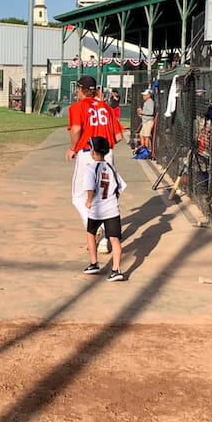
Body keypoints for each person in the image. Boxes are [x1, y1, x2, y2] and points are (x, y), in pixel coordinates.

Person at [66, 75, 123, 248]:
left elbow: (76, 129)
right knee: (106, 196)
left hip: (87, 154)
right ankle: (106, 241)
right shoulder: (106, 107)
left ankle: (91, 223)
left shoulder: (77, 107)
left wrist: (72, 148)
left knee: (79, 196)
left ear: (80, 89)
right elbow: (118, 136)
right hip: (107, 155)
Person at [82, 136, 127, 282]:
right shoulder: (111, 168)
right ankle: (116, 270)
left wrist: (89, 201)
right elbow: (120, 187)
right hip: (112, 208)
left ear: (93, 151)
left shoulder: (91, 168)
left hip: (97, 209)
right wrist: (114, 199)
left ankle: (94, 263)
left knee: (91, 234)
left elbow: (90, 188)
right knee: (115, 239)